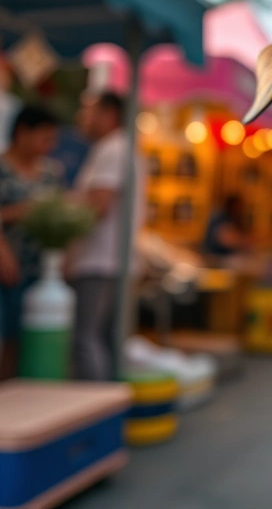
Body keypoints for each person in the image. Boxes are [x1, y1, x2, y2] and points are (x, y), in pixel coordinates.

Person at [66, 91, 146, 381]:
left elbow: (97, 206)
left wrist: (66, 245)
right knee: (107, 341)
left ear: (109, 114)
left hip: (100, 262)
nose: (82, 118)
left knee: (86, 341)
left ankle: (96, 412)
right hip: (113, 261)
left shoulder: (112, 149)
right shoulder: (123, 148)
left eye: (88, 110)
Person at [0, 105, 64, 379]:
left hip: (39, 268)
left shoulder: (51, 172)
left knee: (26, 337)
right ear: (22, 132)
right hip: (7, 264)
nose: (48, 145)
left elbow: (60, 212)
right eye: (43, 137)